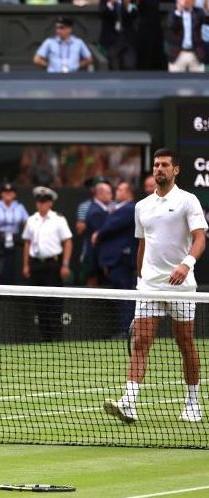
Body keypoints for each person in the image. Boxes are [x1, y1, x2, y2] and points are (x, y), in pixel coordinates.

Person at [104, 149, 207, 424]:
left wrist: (186, 264)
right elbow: (143, 244)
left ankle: (193, 403)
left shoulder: (189, 200)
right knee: (140, 342)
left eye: (164, 165)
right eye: (156, 165)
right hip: (149, 286)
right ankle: (129, 402)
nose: (159, 169)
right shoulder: (142, 206)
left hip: (181, 287)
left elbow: (200, 239)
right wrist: (140, 279)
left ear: (176, 170)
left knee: (185, 343)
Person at [21, 186, 72, 341]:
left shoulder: (59, 219)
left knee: (55, 301)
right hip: (36, 264)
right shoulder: (31, 220)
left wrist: (65, 264)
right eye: (39, 201)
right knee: (39, 301)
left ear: (50, 203)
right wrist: (26, 265)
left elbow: (68, 242)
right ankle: (45, 338)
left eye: (44, 201)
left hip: (52, 264)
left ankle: (57, 336)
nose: (41, 204)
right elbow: (27, 243)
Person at [93, 181, 136, 337]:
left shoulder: (129, 208)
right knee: (121, 296)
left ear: (128, 193)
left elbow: (109, 226)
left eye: (120, 189)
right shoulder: (119, 208)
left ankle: (126, 330)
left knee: (125, 297)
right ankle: (125, 329)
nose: (116, 191)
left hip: (122, 261)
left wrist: (98, 234)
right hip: (115, 261)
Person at [0, 182, 29, 285]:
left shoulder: (19, 206)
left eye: (10, 192)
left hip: (14, 239)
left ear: (15, 194)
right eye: (5, 192)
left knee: (12, 266)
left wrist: (26, 238)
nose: (8, 194)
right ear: (1, 194)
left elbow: (27, 223)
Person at [166, 0, 206, 73]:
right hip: (178, 54)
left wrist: (206, 7)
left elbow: (206, 21)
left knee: (199, 79)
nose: (185, 1)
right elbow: (171, 26)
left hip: (196, 54)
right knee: (175, 79)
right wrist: (179, 12)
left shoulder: (198, 12)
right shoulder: (173, 13)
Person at [99, 0, 138, 70]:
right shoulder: (105, 1)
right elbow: (102, 13)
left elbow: (135, 14)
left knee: (129, 65)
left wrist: (127, 5)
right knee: (114, 65)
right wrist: (111, 3)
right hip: (111, 40)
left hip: (128, 40)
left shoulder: (130, 1)